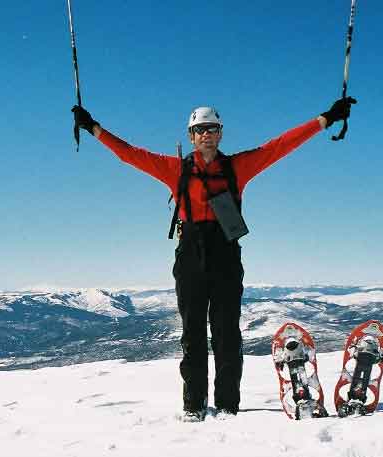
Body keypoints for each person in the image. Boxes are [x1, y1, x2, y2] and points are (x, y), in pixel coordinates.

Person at [71, 97, 356, 421]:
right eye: (199, 130)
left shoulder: (237, 167)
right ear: (191, 136)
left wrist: (326, 119)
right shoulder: (175, 169)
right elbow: (130, 154)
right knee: (192, 334)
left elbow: (280, 146)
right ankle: (193, 406)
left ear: (220, 134)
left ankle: (227, 406)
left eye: (212, 129)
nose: (206, 134)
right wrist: (94, 128)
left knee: (227, 333)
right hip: (190, 256)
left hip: (225, 256)